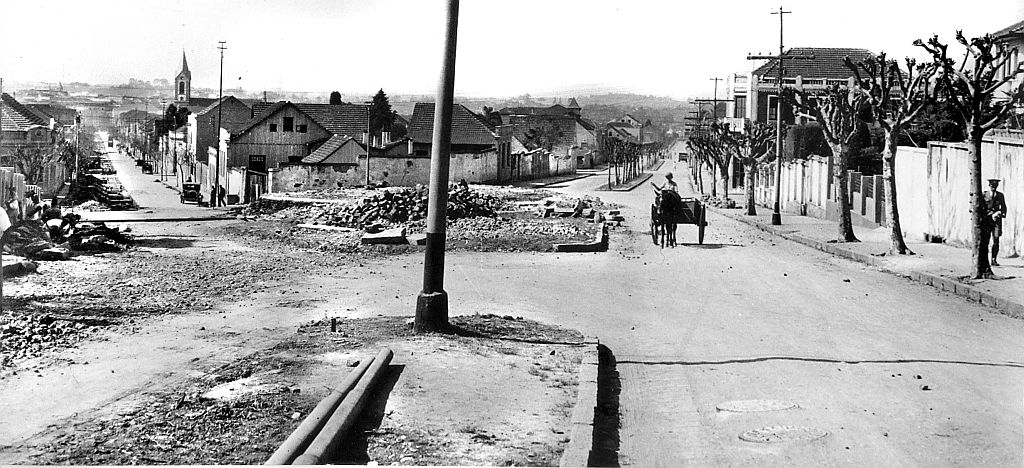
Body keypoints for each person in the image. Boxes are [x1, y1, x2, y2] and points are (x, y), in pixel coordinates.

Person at [984, 178, 1007, 266]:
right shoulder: (984, 194)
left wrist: (1001, 213)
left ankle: (993, 259)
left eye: (995, 186)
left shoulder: (1000, 195)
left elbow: (1004, 207)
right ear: (989, 185)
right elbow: (982, 208)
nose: (993, 187)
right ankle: (984, 259)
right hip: (987, 220)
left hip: (997, 221)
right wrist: (990, 215)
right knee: (986, 240)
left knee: (996, 239)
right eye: (992, 186)